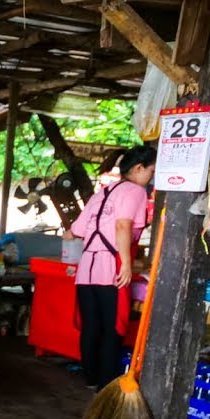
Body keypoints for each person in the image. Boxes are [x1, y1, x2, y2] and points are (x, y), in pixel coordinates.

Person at [65, 146, 157, 390]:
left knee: (91, 327)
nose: (151, 177)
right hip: (110, 268)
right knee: (113, 328)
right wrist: (126, 264)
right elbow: (123, 226)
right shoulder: (136, 191)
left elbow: (74, 231)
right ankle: (107, 386)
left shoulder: (101, 192)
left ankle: (91, 380)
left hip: (86, 270)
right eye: (151, 171)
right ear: (138, 168)